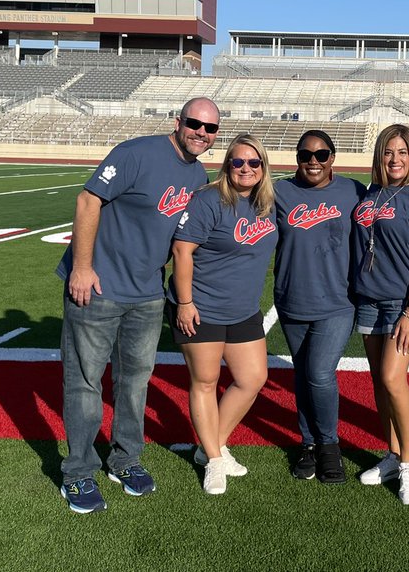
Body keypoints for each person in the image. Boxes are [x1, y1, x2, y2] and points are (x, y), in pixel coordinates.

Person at [56, 97, 219, 514]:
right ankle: (78, 472)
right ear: (178, 121)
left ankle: (125, 460)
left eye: (210, 128)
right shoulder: (136, 152)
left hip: (147, 294)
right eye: (195, 123)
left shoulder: (198, 171)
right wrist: (82, 267)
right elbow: (87, 201)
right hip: (98, 287)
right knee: (85, 383)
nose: (201, 132)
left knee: (134, 383)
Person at [170, 133, 278, 496]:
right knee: (204, 381)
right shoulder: (209, 200)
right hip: (202, 308)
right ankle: (215, 459)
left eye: (253, 162)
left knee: (252, 378)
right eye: (237, 161)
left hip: (244, 309)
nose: (245, 169)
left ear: (263, 167)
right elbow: (182, 252)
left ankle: (210, 445)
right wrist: (185, 303)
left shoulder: (267, 203)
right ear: (227, 164)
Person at [353, 124, 409, 506]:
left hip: (403, 302)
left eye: (403, 152)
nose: (395, 159)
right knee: (379, 381)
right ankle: (391, 454)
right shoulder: (371, 193)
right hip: (368, 299)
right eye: (389, 152)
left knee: (393, 377)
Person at [273, 130, 366, 483]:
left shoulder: (353, 191)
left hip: (337, 302)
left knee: (320, 373)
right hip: (291, 299)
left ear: (333, 158)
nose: (314, 161)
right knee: (302, 373)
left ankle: (329, 444)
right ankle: (308, 443)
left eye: (322, 154)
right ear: (297, 158)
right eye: (306, 154)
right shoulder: (279, 191)